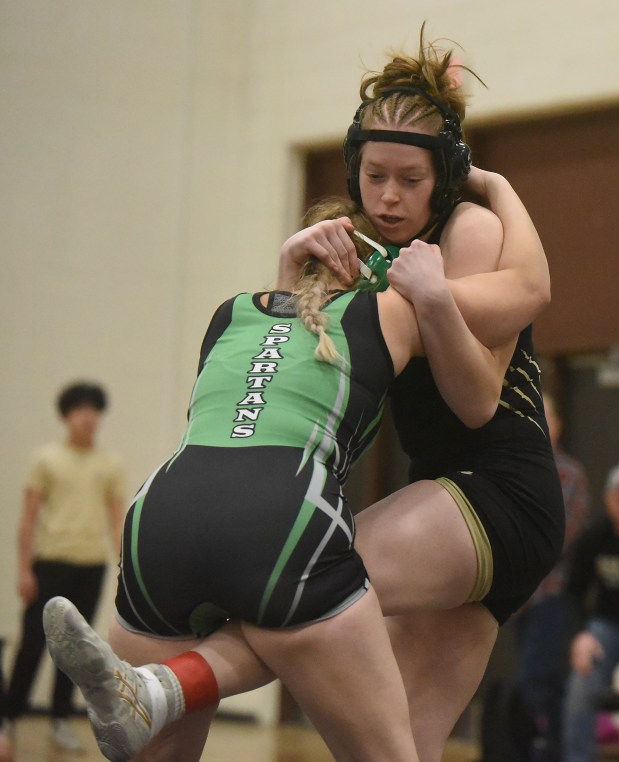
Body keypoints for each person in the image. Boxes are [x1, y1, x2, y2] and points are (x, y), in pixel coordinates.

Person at [46, 27, 564, 762]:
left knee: (306, 584)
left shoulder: (470, 226)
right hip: (444, 494)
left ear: (445, 178)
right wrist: (291, 275)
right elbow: (300, 357)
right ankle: (158, 690)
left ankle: (160, 690)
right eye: (374, 176)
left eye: (410, 182)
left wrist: (439, 295)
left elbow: (477, 401)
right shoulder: (361, 242)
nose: (387, 198)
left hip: (498, 491)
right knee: (396, 747)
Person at [43, 195, 510, 762]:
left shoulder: (229, 312)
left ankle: (144, 693)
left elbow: (284, 330)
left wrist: (290, 264)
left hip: (158, 522)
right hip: (282, 512)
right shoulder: (388, 311)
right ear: (365, 263)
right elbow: (505, 334)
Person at [6, 382, 126, 752]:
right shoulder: (46, 459)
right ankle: (8, 719)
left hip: (91, 566)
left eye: (93, 410)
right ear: (66, 416)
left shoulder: (110, 464)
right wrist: (25, 569)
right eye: (79, 410)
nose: (87, 417)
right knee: (32, 643)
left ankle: (60, 719)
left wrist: (125, 570)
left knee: (76, 648)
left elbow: (116, 520)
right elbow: (28, 519)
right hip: (50, 563)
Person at [511, 393, 590, 761]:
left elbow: (559, 537)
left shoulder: (569, 474)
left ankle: (545, 751)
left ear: (557, 425)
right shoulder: (513, 468)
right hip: (518, 597)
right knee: (547, 684)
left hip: (552, 595)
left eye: (544, 417)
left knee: (536, 681)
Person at [562, 464, 619, 762]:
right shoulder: (594, 537)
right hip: (606, 625)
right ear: (610, 500)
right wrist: (580, 635)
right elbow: (573, 593)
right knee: (581, 686)